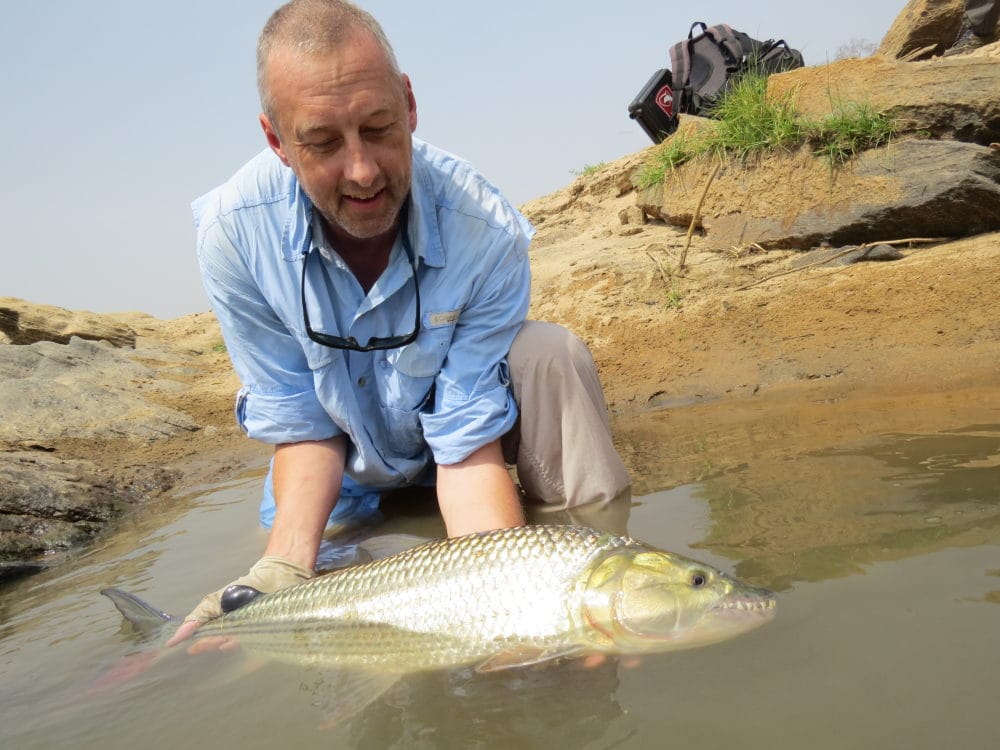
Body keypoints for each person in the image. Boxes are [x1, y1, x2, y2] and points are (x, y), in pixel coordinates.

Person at [168, 0, 630, 645]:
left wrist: (517, 597)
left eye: (380, 128)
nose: (362, 172)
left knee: (549, 351)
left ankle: (598, 548)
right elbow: (299, 424)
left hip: (466, 453)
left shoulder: (485, 229)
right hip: (339, 484)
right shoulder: (232, 236)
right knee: (315, 628)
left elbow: (467, 442)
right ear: (276, 141)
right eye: (323, 143)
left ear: (410, 105)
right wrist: (282, 570)